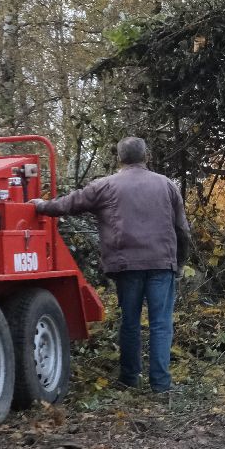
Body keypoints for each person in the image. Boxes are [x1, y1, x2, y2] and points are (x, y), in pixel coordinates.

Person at [32, 137, 192, 394]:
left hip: (126, 265)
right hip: (162, 263)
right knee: (161, 324)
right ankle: (161, 384)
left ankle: (129, 378)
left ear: (119, 158)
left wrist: (42, 206)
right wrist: (180, 262)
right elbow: (182, 229)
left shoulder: (105, 186)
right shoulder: (166, 185)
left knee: (130, 322)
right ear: (146, 156)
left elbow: (70, 203)